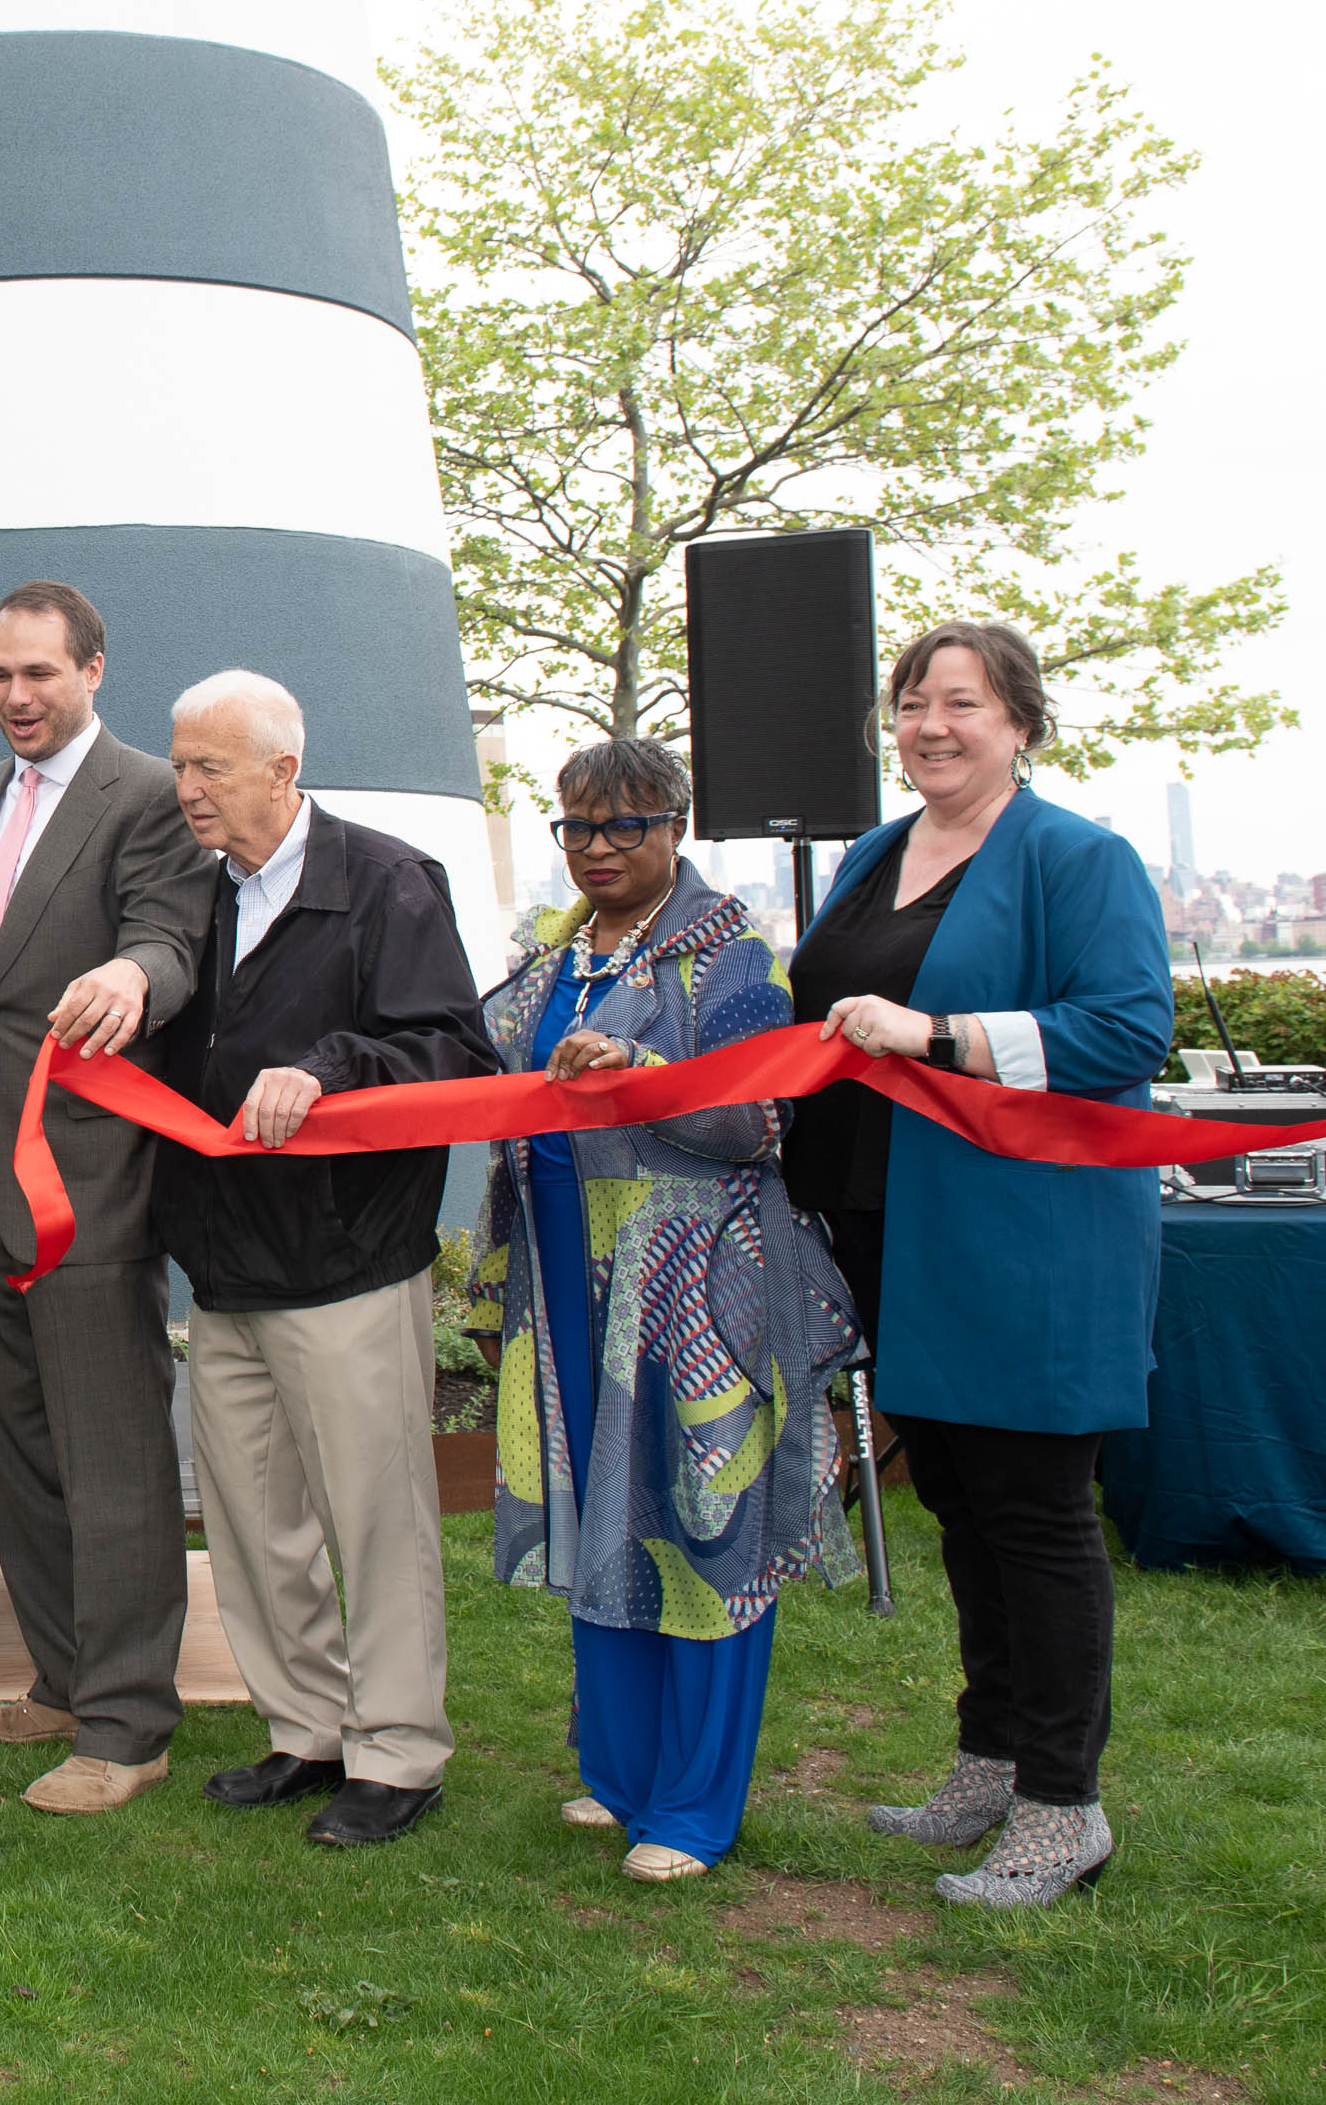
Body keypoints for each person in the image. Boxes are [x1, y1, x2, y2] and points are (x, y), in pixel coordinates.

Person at [791, 622, 1172, 1910]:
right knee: (955, 1501)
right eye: (908, 704)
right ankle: (990, 1758)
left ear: (1019, 722)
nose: (928, 726)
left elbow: (1126, 1030)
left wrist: (943, 1033)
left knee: (1035, 1517)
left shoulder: (1081, 857)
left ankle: (1064, 1809)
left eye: (960, 703)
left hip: (1027, 1245)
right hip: (889, 1231)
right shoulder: (870, 855)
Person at [467, 738, 861, 1882]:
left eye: (623, 827)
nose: (597, 850)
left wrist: (638, 1069)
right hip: (565, 1278)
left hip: (693, 1283)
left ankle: (691, 1807)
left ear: (674, 826)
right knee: (599, 1515)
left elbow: (757, 1127)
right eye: (577, 827)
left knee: (705, 1521)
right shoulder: (552, 954)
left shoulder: (733, 956)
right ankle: (621, 1774)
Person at [156, 669, 495, 1850]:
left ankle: (398, 1753)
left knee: (375, 1517)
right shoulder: (192, 897)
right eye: (181, 765)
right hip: (227, 1264)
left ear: (283, 771)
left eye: (210, 768)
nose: (187, 788)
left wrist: (335, 1065)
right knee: (252, 1521)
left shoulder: (387, 882)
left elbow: (453, 1049)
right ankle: (302, 1729)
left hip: (348, 1261)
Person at [0, 581, 210, 1816]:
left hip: (87, 1173)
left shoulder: (148, 794)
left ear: (94, 668)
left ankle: (129, 1725)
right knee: (23, 1444)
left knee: (112, 1451)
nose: (17, 698)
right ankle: (63, 1676)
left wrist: (133, 980)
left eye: (40, 673)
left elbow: (172, 939)